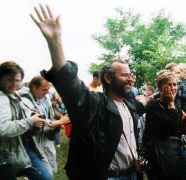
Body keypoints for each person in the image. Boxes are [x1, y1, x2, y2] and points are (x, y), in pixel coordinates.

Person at [31, 5, 145, 180]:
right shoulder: (95, 105)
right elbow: (71, 86)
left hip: (133, 174)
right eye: (125, 75)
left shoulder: (130, 104)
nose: (130, 79)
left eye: (131, 75)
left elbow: (147, 102)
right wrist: (55, 42)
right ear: (107, 78)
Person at [0, 61, 48, 179]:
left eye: (17, 80)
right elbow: (4, 128)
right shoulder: (2, 98)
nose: (14, 84)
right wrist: (30, 121)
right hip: (5, 155)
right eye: (9, 80)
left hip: (15, 147)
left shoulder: (11, 94)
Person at [143, 70, 186, 180]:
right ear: (161, 87)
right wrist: (171, 103)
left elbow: (179, 130)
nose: (173, 88)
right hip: (159, 154)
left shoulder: (175, 106)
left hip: (174, 151)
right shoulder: (153, 105)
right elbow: (169, 125)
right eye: (169, 85)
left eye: (175, 84)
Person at [20, 76, 70, 173]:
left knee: (50, 168)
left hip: (47, 138)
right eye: (44, 90)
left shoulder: (46, 95)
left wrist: (58, 98)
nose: (47, 92)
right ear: (34, 88)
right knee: (40, 171)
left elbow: (54, 94)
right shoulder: (25, 101)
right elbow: (38, 122)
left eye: (48, 89)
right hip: (33, 141)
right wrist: (60, 122)